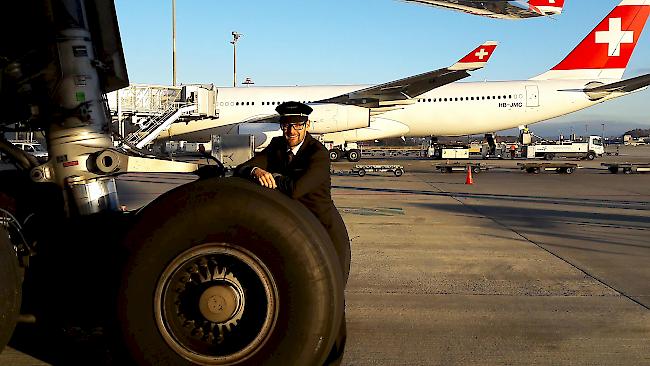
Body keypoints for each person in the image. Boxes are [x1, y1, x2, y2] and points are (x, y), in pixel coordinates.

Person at [234, 101, 350, 364]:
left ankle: (332, 361)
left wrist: (271, 178)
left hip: (325, 231)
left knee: (333, 303)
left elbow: (297, 189)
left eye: (297, 126)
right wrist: (257, 170)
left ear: (307, 126)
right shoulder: (276, 147)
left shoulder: (317, 154)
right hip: (296, 232)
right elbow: (243, 168)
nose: (292, 131)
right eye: (287, 126)